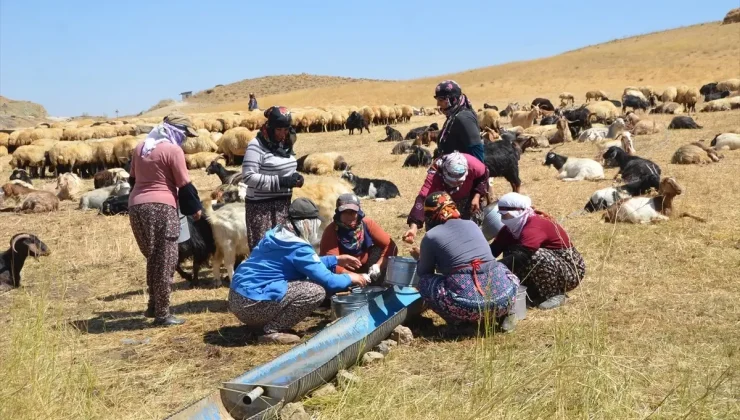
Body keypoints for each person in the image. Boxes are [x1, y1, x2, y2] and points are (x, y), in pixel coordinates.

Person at [229, 198, 370, 344]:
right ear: (306, 223)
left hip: (237, 297)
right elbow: (329, 281)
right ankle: (270, 330)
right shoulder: (298, 247)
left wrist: (335, 260)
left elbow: (305, 262)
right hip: (251, 303)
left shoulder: (277, 234)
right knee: (315, 291)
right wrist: (353, 278)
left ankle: (259, 323)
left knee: (304, 284)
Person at [128, 112, 203, 326]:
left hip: (136, 207)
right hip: (162, 207)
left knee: (153, 257)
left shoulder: (141, 147)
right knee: (166, 259)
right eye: (185, 134)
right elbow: (184, 184)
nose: (186, 139)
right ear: (177, 132)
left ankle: (153, 305)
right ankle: (163, 314)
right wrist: (195, 209)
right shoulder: (172, 150)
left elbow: (132, 178)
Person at [410, 191, 519, 331]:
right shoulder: (472, 225)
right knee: (499, 267)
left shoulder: (431, 236)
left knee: (425, 282)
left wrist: (420, 257)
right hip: (505, 298)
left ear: (432, 216)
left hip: (469, 307)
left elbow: (424, 272)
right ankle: (507, 313)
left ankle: (460, 324)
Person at [489, 192, 586, 310]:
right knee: (510, 250)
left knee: (534, 255)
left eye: (506, 215)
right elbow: (494, 249)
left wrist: (495, 269)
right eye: (502, 215)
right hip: (551, 266)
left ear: (519, 212)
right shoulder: (510, 229)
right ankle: (533, 291)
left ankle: (554, 294)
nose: (503, 219)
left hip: (569, 270)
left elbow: (523, 255)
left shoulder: (534, 225)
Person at [242, 106, 304, 250]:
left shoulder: (285, 145)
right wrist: (281, 182)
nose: (282, 134)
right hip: (262, 209)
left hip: (283, 207)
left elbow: (286, 167)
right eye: (278, 130)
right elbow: (248, 177)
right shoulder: (256, 145)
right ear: (270, 128)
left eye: (285, 129)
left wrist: (295, 177)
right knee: (265, 252)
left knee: (285, 251)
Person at [402, 152, 489, 244]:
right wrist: (413, 228)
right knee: (440, 237)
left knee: (469, 231)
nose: (457, 185)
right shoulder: (435, 176)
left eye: (460, 182)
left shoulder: (474, 165)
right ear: (444, 174)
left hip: (467, 198)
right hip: (442, 202)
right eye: (453, 182)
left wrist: (476, 196)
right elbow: (422, 200)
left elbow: (483, 176)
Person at [319, 193, 398, 285]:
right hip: (343, 274)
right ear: (338, 213)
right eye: (345, 212)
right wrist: (352, 276)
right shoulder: (331, 231)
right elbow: (331, 263)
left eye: (352, 212)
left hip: (367, 269)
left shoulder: (367, 224)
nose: (349, 217)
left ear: (358, 212)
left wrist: (379, 265)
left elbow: (390, 245)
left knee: (378, 250)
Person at [433, 80, 484, 163]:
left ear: (452, 99)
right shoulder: (453, 116)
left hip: (464, 174)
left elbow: (477, 157)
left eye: (441, 100)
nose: (437, 104)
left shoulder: (464, 119)